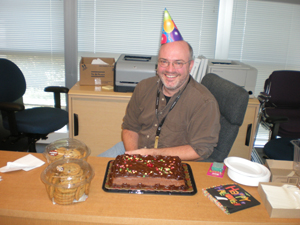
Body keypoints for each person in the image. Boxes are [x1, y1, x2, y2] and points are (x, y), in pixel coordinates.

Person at [98, 9, 220, 161]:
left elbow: (200, 149)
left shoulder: (204, 102)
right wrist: (137, 158)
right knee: (93, 170)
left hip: (176, 161)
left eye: (178, 63)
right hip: (135, 150)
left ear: (190, 66)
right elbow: (130, 127)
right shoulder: (143, 87)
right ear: (157, 64)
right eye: (164, 62)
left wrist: (153, 155)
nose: (169, 70)